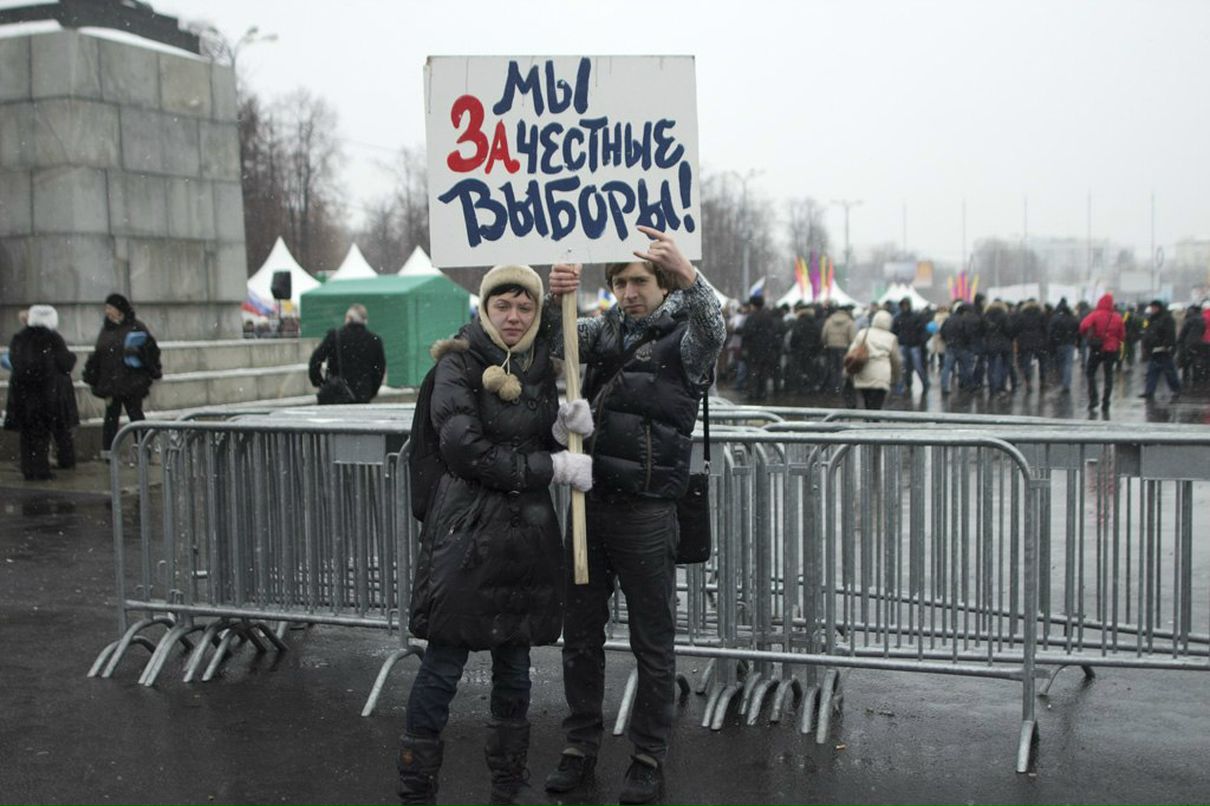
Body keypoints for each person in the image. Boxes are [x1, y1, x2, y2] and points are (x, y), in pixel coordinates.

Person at [398, 264, 594, 806]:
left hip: (525, 539)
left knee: (514, 665)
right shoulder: (456, 364)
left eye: (525, 307)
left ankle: (509, 785)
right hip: (466, 536)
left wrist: (563, 431)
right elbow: (465, 449)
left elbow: (529, 436)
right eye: (503, 305)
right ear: (485, 308)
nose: (514, 316)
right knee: (443, 662)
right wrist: (550, 469)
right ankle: (417, 787)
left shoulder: (536, 368)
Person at [545, 225, 725, 805]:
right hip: (590, 503)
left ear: (662, 281)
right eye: (619, 281)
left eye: (639, 279)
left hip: (648, 511)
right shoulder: (603, 332)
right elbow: (550, 341)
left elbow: (714, 326)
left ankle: (648, 755)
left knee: (653, 643)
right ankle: (579, 746)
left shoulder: (685, 340)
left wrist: (692, 274)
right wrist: (556, 294)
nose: (628, 291)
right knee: (581, 638)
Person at [82, 294, 161, 460]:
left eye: (110, 307)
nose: (107, 311)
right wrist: (92, 373)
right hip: (111, 383)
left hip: (132, 383)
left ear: (120, 310)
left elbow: (151, 350)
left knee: (136, 417)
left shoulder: (136, 327)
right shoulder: (106, 330)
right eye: (107, 308)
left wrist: (138, 352)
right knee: (110, 419)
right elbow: (99, 353)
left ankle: (144, 451)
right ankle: (109, 453)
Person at [4, 305, 78, 479]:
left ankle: (28, 469)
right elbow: (66, 363)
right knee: (42, 434)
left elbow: (14, 361)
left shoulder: (19, 337)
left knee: (27, 435)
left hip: (22, 394)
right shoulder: (52, 338)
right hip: (45, 394)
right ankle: (41, 469)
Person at [308, 304, 387, 404]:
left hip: (336, 395)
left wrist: (320, 383)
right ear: (364, 320)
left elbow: (315, 361)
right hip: (362, 396)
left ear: (348, 318)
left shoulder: (335, 337)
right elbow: (380, 370)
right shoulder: (375, 341)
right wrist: (371, 390)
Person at [1078, 293, 1126, 414]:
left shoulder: (1094, 314)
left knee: (1090, 373)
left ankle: (1093, 398)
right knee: (1108, 375)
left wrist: (1090, 334)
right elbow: (1122, 335)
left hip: (1097, 348)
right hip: (1111, 350)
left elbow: (1083, 326)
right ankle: (1106, 401)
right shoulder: (1117, 317)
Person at [847, 309, 902, 410]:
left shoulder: (863, 333)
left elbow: (852, 351)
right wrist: (897, 377)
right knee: (877, 405)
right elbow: (896, 360)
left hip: (863, 371)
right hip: (881, 375)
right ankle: (874, 422)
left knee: (867, 403)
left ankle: (868, 421)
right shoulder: (891, 338)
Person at [1139, 300, 1181, 401]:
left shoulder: (1166, 319)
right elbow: (1148, 333)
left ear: (1158, 308)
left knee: (1169, 371)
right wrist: (1146, 345)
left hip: (1163, 349)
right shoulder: (1152, 319)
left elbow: (1170, 334)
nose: (1152, 309)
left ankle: (1176, 389)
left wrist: (1167, 345)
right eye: (1152, 308)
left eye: (1154, 307)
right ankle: (1149, 391)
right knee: (1152, 372)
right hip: (1154, 349)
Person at [740, 295, 779, 401]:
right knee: (763, 374)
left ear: (753, 305)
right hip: (767, 350)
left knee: (753, 373)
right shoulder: (768, 316)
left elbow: (747, 334)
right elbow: (774, 334)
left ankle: (753, 394)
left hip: (754, 351)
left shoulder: (751, 317)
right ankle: (763, 393)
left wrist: (744, 348)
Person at [1046, 299, 1080, 394]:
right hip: (1070, 344)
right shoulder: (1073, 319)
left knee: (1060, 364)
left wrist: (1051, 343)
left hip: (1059, 344)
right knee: (1068, 364)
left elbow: (1051, 332)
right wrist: (1078, 343)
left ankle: (1062, 381)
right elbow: (1078, 331)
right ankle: (1066, 384)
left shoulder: (1055, 318)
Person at [821, 304, 856, 394]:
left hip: (831, 347)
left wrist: (826, 343)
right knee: (842, 368)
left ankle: (833, 387)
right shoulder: (849, 321)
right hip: (844, 348)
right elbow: (853, 337)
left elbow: (824, 334)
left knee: (833, 368)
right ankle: (840, 387)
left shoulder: (829, 320)